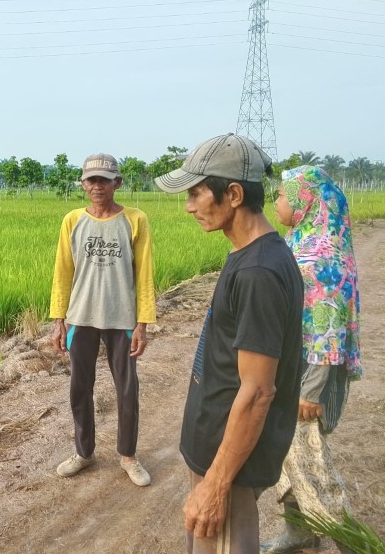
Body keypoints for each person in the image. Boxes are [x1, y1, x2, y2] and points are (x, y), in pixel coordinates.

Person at [154, 133, 304, 553]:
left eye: (196, 193)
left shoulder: (258, 273)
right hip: (216, 445)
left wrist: (216, 484)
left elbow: (257, 392)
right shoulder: (251, 255)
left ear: (234, 194)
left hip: (229, 463)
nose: (189, 206)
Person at [262, 165, 362, 554]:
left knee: (310, 465)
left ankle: (357, 546)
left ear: (305, 201)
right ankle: (298, 531)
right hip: (290, 370)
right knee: (287, 456)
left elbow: (328, 328)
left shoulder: (322, 257)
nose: (276, 201)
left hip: (307, 378)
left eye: (283, 195)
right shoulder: (299, 241)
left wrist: (312, 390)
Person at [50, 153, 156, 487]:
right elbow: (62, 272)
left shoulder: (135, 220)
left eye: (104, 180)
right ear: (83, 184)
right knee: (79, 387)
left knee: (127, 388)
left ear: (117, 183)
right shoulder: (72, 220)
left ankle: (128, 456)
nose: (98, 186)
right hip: (81, 317)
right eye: (91, 180)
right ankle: (84, 452)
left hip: (121, 317)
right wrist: (59, 320)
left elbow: (145, 274)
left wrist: (143, 324)